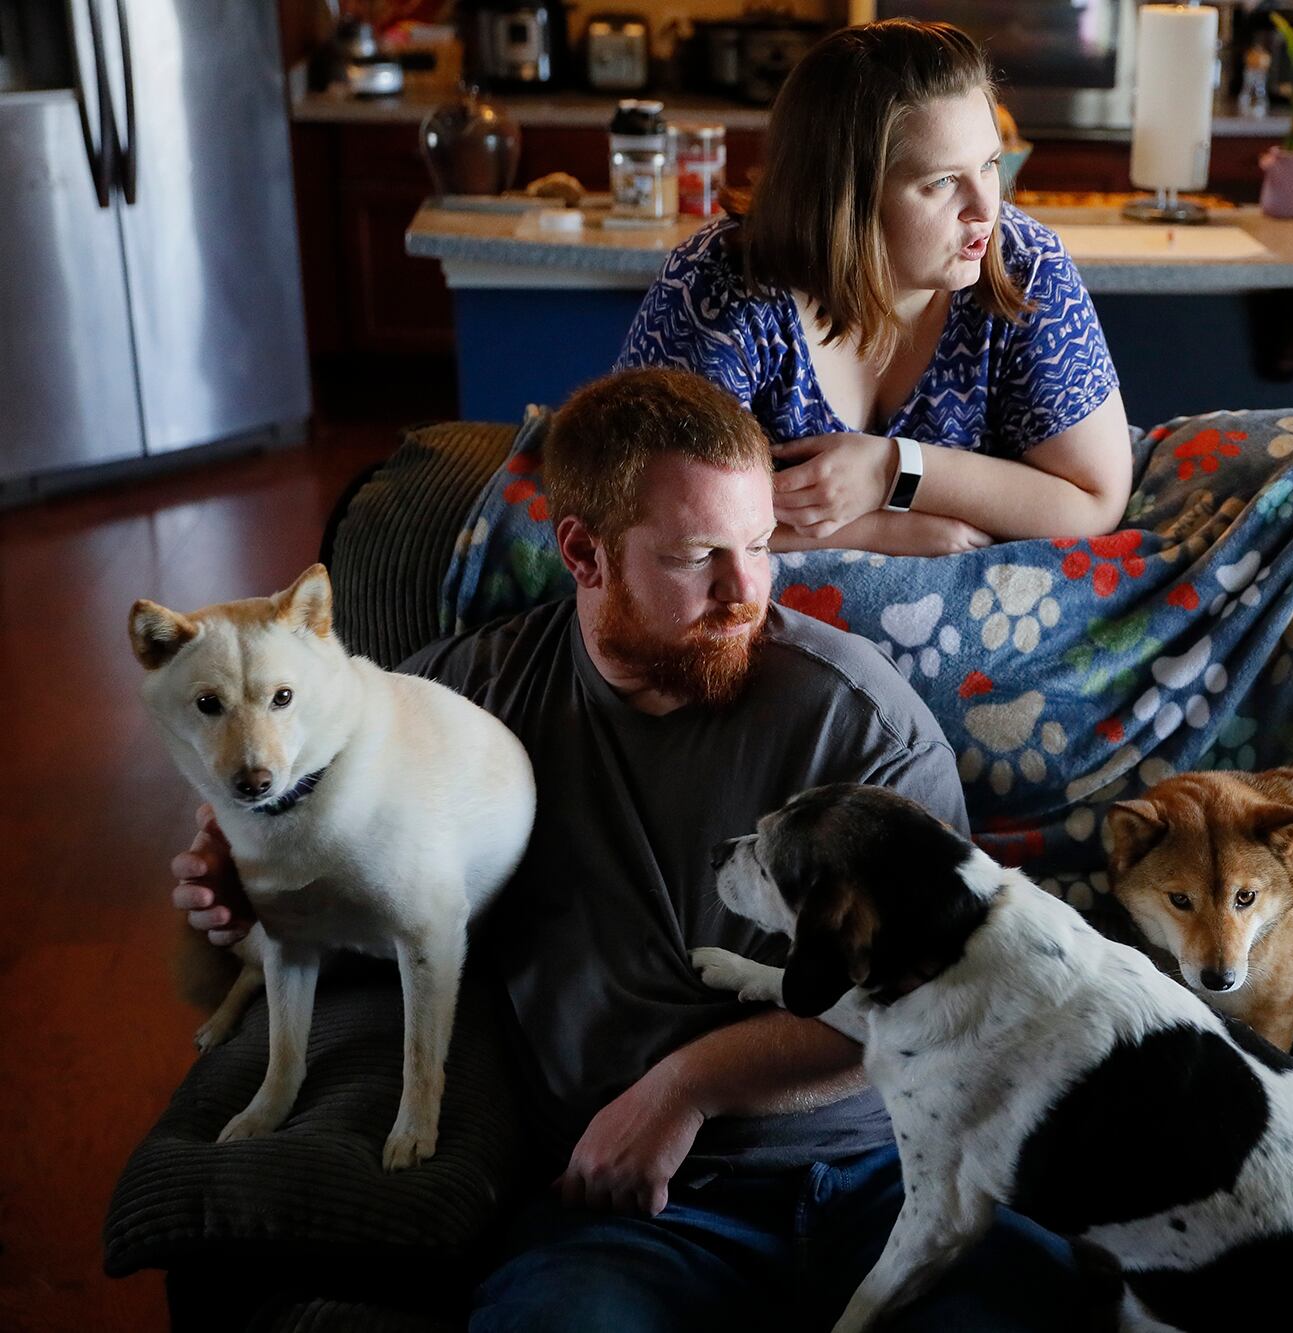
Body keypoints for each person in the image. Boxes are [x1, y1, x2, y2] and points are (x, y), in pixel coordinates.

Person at [168, 368, 1088, 1329]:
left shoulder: (858, 726)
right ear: (584, 552)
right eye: (699, 556)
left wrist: (684, 1088)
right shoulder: (455, 708)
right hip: (631, 1218)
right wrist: (244, 891)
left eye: (763, 546)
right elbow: (314, 856)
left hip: (896, 1172)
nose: (745, 591)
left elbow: (949, 995)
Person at [616, 19, 1133, 557]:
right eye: (941, 182)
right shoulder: (717, 289)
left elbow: (1094, 500)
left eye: (989, 165)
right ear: (844, 199)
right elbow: (644, 510)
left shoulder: (1026, 265)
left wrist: (896, 471)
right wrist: (876, 533)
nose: (986, 208)